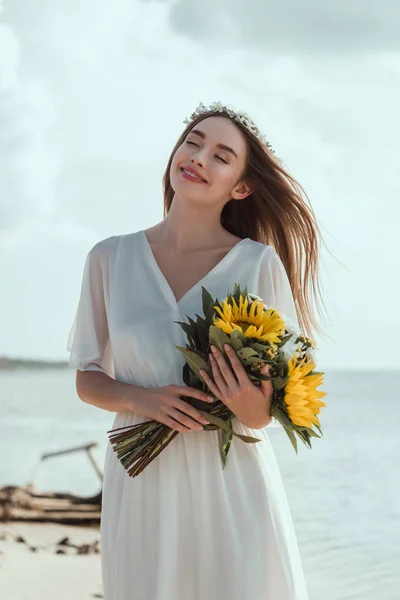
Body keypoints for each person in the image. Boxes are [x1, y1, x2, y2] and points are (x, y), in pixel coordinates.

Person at [66, 101, 325, 600]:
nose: (199, 157)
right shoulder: (109, 258)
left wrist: (248, 406)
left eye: (221, 155)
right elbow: (87, 377)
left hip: (230, 478)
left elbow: (267, 407)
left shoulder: (257, 264)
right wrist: (142, 400)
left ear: (241, 187)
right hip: (142, 478)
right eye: (193, 142)